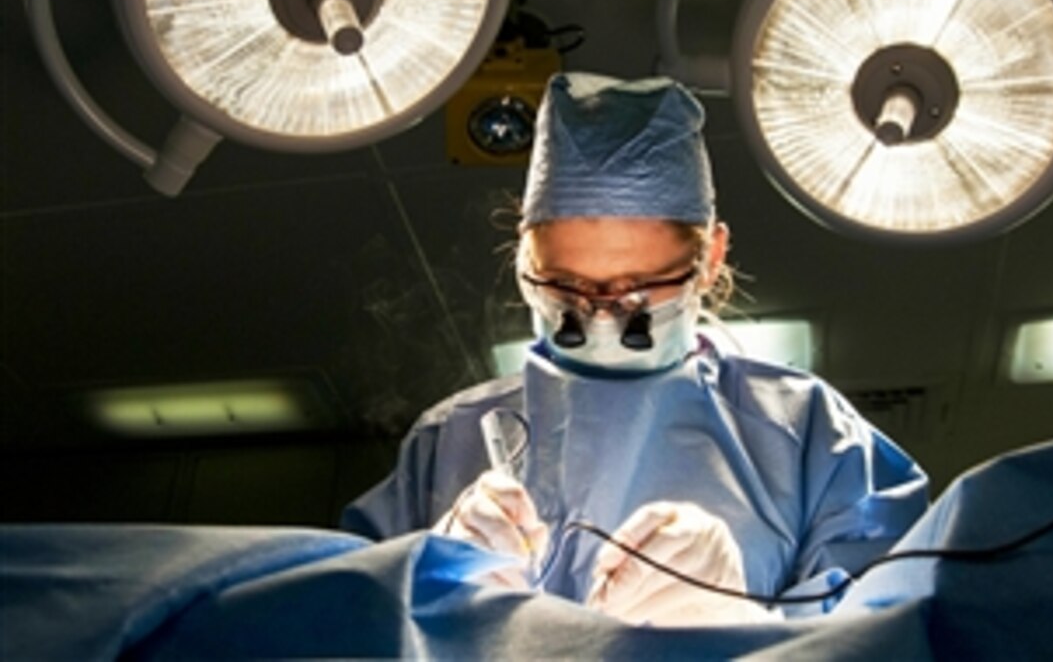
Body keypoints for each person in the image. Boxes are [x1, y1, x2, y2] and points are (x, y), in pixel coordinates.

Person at [341, 72, 928, 625]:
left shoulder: (807, 436)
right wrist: (421, 589)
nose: (599, 316)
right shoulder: (448, 442)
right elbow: (340, 627)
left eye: (639, 292)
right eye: (566, 287)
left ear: (711, 258)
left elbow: (898, 631)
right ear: (524, 258)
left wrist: (747, 627)